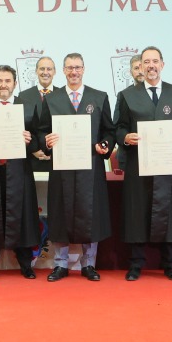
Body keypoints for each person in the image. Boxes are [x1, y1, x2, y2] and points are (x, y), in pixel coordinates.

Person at [114, 46, 172, 281]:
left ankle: (171, 265)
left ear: (162, 65)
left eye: (155, 61)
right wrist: (125, 137)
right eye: (146, 62)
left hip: (168, 166)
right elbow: (118, 127)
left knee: (170, 214)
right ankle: (136, 265)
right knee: (137, 214)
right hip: (139, 165)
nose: (151, 66)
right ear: (140, 66)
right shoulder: (127, 95)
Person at [38, 52, 114, 281]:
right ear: (63, 70)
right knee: (60, 214)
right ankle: (60, 264)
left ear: (83, 69)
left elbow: (109, 131)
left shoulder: (98, 97)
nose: (74, 72)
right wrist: (46, 141)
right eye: (69, 68)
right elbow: (41, 131)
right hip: (61, 169)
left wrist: (105, 145)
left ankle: (88, 264)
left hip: (91, 168)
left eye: (77, 67)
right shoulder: (52, 99)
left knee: (91, 214)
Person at [0, 64, 41, 279]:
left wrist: (30, 140)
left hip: (19, 172)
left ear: (15, 83)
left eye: (7, 81)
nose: (3, 85)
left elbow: (39, 139)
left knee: (22, 216)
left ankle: (25, 264)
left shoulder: (28, 106)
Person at [18, 56, 59, 166]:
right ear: (36, 71)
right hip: (31, 158)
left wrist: (51, 150)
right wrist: (33, 150)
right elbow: (21, 126)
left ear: (54, 72)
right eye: (42, 69)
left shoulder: (63, 95)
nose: (45, 72)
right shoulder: (23, 96)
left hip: (57, 156)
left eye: (49, 69)